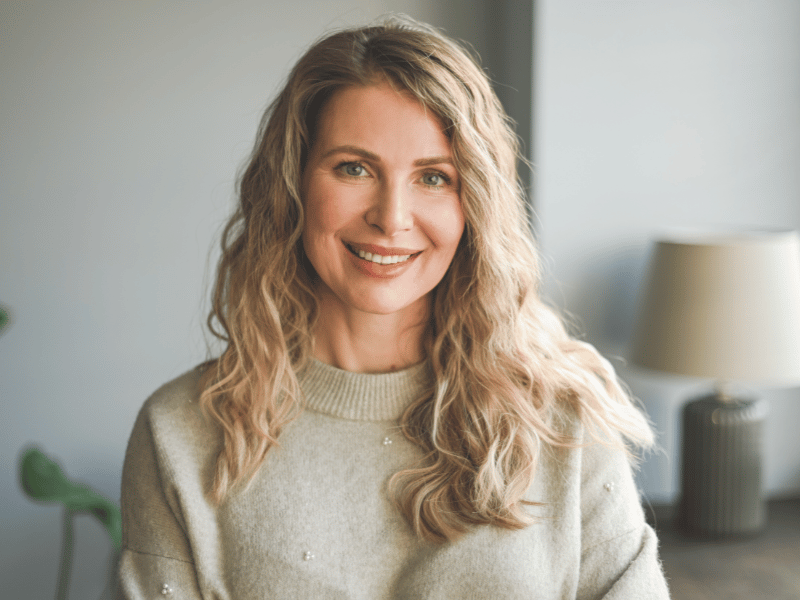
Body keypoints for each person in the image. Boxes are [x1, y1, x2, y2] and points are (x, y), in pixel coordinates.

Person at [117, 16, 671, 600]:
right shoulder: (179, 435)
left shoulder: (565, 416)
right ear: (293, 185)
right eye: (354, 168)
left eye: (433, 177)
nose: (392, 216)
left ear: (474, 206)